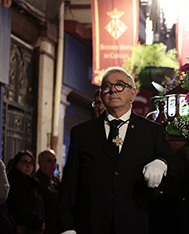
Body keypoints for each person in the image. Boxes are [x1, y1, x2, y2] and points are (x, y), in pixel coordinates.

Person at [59, 68, 174, 234]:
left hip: (134, 224)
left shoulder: (151, 131)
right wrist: (66, 227)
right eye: (106, 86)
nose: (112, 90)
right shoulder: (82, 133)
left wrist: (161, 162)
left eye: (120, 85)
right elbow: (70, 184)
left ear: (132, 93)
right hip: (90, 224)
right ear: (101, 95)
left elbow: (175, 165)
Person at [6, 151, 44, 233]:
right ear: (16, 164)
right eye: (24, 162)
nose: (28, 166)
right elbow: (21, 208)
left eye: (31, 163)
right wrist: (38, 223)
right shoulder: (14, 183)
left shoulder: (32, 183)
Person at [35, 150, 60, 234]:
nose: (53, 164)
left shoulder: (55, 181)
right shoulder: (37, 182)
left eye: (55, 160)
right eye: (49, 161)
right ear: (40, 163)